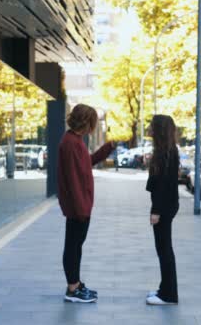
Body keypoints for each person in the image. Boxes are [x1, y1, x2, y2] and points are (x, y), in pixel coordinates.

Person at [58, 104, 114, 303]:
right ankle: (73, 289)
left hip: (80, 205)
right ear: (86, 122)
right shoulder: (71, 143)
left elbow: (85, 163)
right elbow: (73, 179)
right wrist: (81, 208)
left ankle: (75, 284)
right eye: (93, 122)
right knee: (73, 246)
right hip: (78, 207)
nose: (94, 126)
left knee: (76, 245)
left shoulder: (75, 140)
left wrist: (107, 148)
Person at [145, 115, 179, 306]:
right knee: (164, 249)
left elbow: (163, 185)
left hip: (164, 207)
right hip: (168, 205)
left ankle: (169, 295)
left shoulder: (165, 153)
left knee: (164, 250)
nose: (149, 128)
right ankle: (165, 288)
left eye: (151, 125)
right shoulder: (167, 150)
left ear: (159, 130)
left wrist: (156, 210)